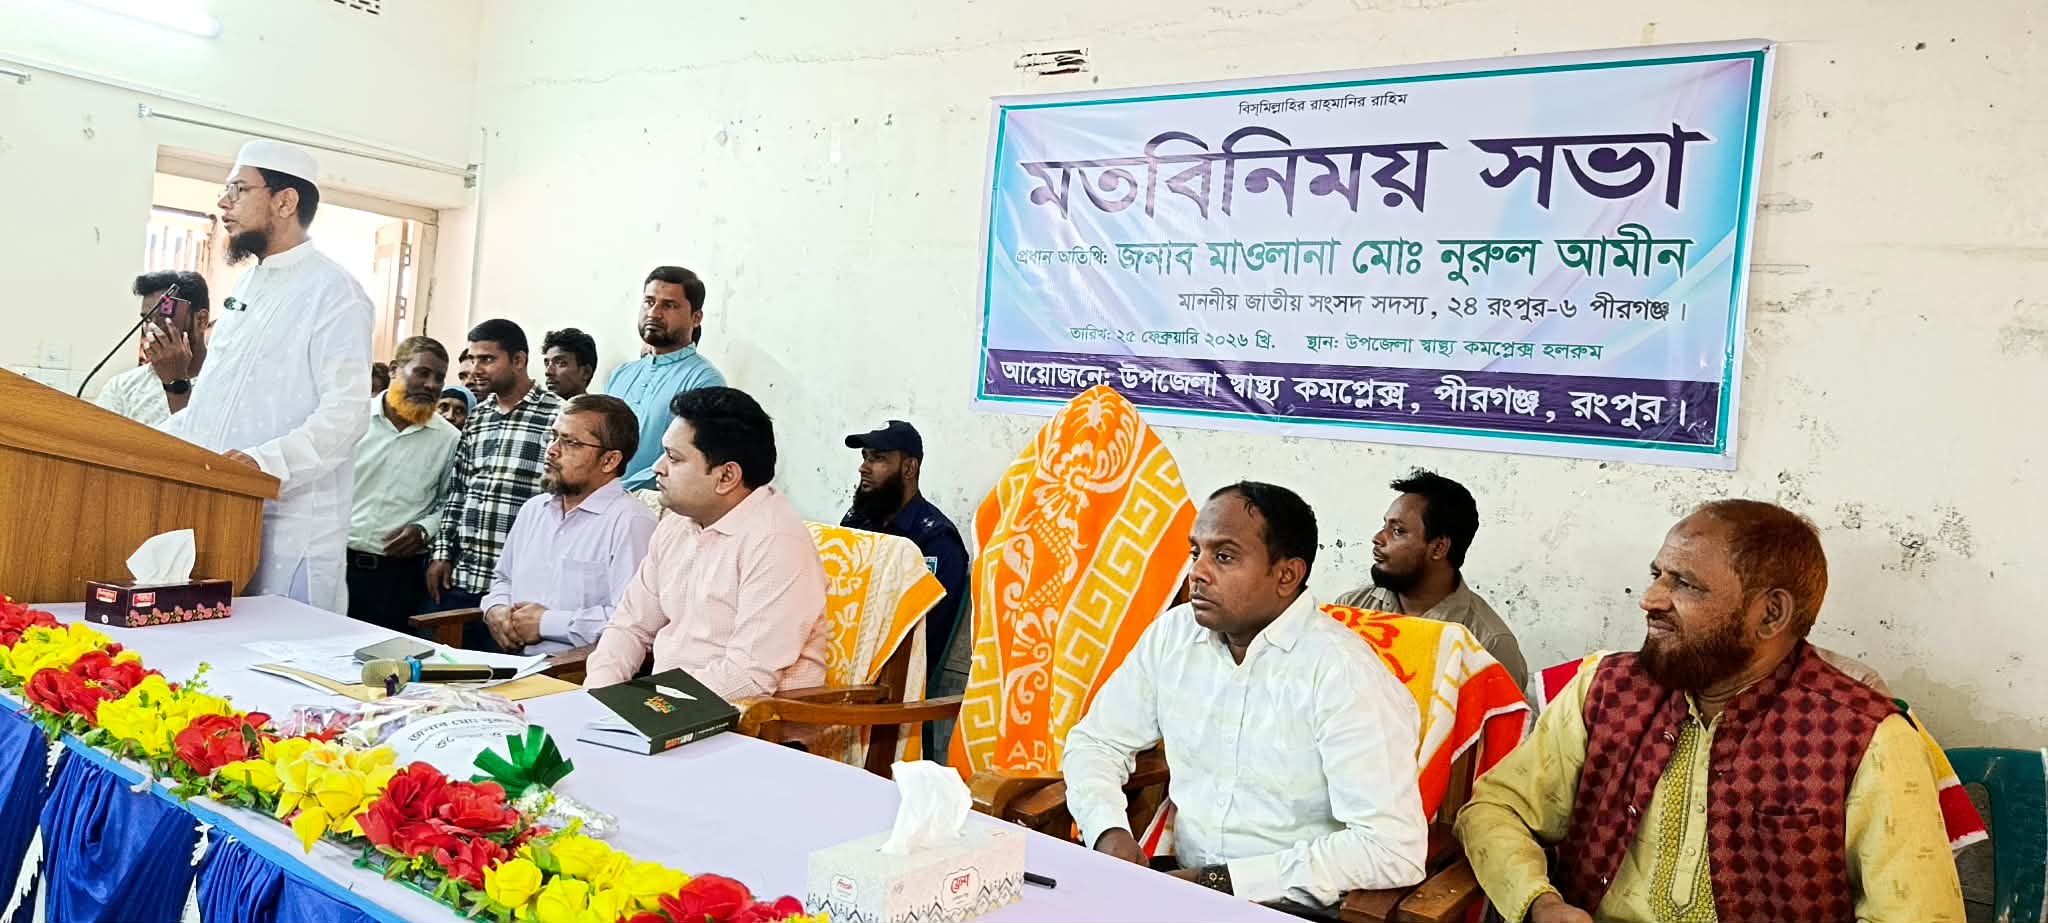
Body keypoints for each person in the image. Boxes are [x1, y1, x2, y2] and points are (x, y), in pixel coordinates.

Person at [1454, 500, 1964, 923]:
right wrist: (1540, 903)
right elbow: (1496, 809)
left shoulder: (1864, 736)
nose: (1651, 599)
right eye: (1657, 575)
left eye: (1685, 584)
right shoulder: (1604, 689)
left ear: (1771, 614)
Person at [1064, 482, 1429, 914]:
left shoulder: (1343, 674)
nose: (1197, 573)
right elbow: (1097, 743)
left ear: (1286, 575)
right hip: (1178, 882)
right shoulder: (1174, 635)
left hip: (1290, 904)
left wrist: (1218, 882)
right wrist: (1109, 833)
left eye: (1223, 556)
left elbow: (1391, 849)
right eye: (1195, 552)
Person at [153, 139, 373, 613]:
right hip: (218, 513)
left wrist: (263, 463)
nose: (223, 202)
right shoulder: (249, 283)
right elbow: (214, 404)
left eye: (238, 189)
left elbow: (347, 415)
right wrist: (145, 442)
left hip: (289, 527)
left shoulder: (335, 291)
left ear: (285, 201)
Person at [582, 387, 828, 696]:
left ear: (726, 477)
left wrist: (648, 706)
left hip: (754, 718)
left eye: (674, 458)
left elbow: (747, 678)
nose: (657, 467)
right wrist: (598, 695)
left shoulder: (776, 543)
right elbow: (629, 626)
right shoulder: (677, 524)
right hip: (667, 707)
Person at [474, 394, 656, 655]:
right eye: (553, 436)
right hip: (511, 662)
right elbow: (503, 579)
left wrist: (547, 623)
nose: (552, 450)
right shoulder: (534, 509)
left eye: (571, 443)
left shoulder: (631, 522)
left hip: (575, 670)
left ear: (609, 461)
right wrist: (496, 609)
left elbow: (633, 622)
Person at [1335, 470, 1528, 689]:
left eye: (1397, 530)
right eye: (1384, 526)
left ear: (1438, 547)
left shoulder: (1489, 644)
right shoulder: (1350, 610)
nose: (1378, 538)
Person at [425, 320, 563, 613]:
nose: (476, 369)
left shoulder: (558, 416)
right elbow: (458, 491)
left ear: (519, 360)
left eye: (487, 359)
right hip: (462, 578)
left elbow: (563, 503)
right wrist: (442, 553)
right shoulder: (478, 417)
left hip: (518, 586)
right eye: (472, 359)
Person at [840, 420, 969, 686]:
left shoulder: (936, 541)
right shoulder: (858, 522)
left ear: (909, 468)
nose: (864, 468)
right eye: (865, 457)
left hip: (893, 682)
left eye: (878, 459)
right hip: (845, 661)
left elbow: (924, 636)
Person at [345, 336, 461, 630]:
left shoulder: (448, 439)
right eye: (422, 372)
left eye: (439, 378)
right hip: (336, 564)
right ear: (395, 369)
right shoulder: (351, 419)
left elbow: (450, 502)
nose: (431, 385)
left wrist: (424, 529)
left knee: (384, 656)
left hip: (397, 578)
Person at [605, 266, 726, 491]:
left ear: (696, 318)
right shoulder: (621, 374)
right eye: (649, 302)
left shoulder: (705, 382)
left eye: (669, 305)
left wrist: (618, 493)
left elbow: (683, 456)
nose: (654, 313)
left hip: (657, 504)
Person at [95, 271, 209, 426]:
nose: (151, 329)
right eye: (147, 319)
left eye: (163, 318)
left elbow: (199, 437)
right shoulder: (122, 387)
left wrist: (176, 383)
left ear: (201, 320)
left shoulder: (226, 384)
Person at [541, 327, 598, 400]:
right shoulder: (535, 405)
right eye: (547, 364)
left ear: (586, 372)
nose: (548, 372)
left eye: (560, 363)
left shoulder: (602, 407)